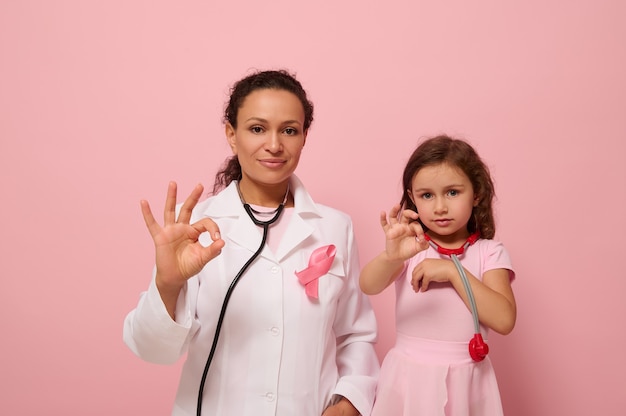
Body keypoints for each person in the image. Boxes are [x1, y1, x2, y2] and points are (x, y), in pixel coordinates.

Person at [123, 69, 379, 416]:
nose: (274, 145)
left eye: (289, 130)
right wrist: (168, 283)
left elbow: (356, 334)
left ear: (304, 136)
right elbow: (153, 350)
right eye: (257, 128)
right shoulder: (195, 227)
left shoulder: (335, 227)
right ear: (231, 135)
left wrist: (348, 401)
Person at [360, 135, 516, 415]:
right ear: (412, 197)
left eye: (453, 192)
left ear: (476, 193)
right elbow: (368, 285)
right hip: (409, 379)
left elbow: (504, 320)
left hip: (468, 383)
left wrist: (452, 272)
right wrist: (391, 256)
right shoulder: (412, 246)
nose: (440, 207)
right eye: (427, 195)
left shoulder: (489, 252)